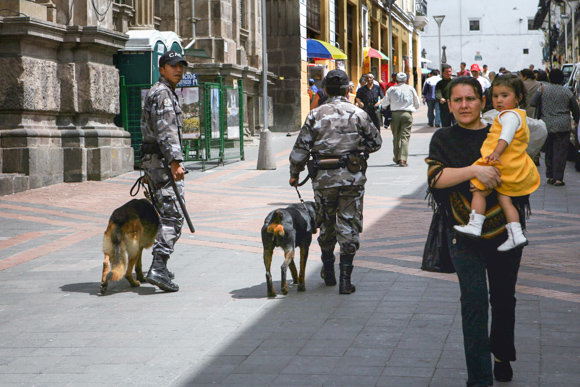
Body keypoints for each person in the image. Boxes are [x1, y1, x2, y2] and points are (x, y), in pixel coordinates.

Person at [426, 76, 530, 386]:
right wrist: (475, 170)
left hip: (504, 231)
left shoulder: (501, 133)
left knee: (502, 298)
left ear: (482, 101)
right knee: (473, 301)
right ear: (448, 104)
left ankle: (501, 353)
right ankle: (479, 378)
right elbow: (436, 178)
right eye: (457, 100)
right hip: (463, 231)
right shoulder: (442, 138)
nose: (464, 105)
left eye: (470, 99)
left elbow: (521, 170)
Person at [289, 69, 382, 295]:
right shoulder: (358, 113)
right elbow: (376, 142)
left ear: (326, 91)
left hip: (323, 180)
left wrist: (295, 173)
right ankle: (345, 280)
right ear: (348, 89)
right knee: (349, 225)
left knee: (326, 223)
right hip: (352, 179)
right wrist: (357, 150)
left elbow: (301, 149)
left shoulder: (315, 115)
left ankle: (328, 271)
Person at [454, 74, 540, 251]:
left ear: (518, 98)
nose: (499, 100)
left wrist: (496, 153)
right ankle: (516, 234)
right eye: (495, 96)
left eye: (505, 95)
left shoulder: (508, 116)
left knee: (478, 189)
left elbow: (506, 136)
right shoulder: (518, 115)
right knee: (504, 198)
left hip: (502, 163)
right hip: (513, 164)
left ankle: (475, 224)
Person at [140, 50, 188, 292]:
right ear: (162, 69)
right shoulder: (164, 95)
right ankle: (158, 267)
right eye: (173, 66)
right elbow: (166, 130)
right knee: (174, 215)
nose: (178, 70)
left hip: (156, 162)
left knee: (168, 213)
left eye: (181, 66)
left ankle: (160, 265)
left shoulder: (162, 92)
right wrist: (175, 161)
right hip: (162, 164)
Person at [530, 68, 580, 186]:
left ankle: (550, 175)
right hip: (563, 125)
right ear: (562, 79)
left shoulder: (542, 89)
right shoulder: (567, 92)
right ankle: (559, 178)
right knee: (561, 152)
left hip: (546, 125)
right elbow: (575, 108)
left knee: (549, 150)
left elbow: (532, 102)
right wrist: (577, 121)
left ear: (549, 78)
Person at [382, 72, 420, 166]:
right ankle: (403, 159)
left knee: (396, 137)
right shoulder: (411, 88)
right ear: (406, 80)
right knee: (405, 137)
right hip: (407, 114)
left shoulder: (391, 89)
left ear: (397, 79)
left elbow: (384, 104)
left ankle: (397, 157)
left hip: (394, 114)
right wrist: (412, 107)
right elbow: (417, 103)